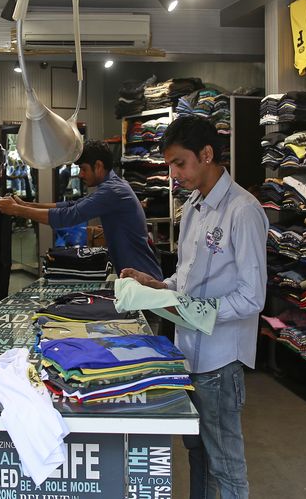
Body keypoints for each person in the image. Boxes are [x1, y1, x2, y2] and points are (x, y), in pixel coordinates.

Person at [121, 116, 268, 499]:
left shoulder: (243, 211)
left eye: (179, 163)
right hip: (187, 355)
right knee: (197, 454)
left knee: (226, 462)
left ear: (206, 154)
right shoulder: (192, 208)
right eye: (169, 165)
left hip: (220, 361)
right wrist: (157, 286)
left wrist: (195, 310)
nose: (173, 174)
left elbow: (253, 296)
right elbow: (185, 279)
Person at [0, 139, 163, 279]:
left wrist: (17, 211)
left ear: (98, 166)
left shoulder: (113, 191)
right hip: (136, 275)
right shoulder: (113, 186)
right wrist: (24, 205)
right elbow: (72, 205)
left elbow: (69, 216)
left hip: (145, 279)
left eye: (83, 169)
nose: (80, 174)